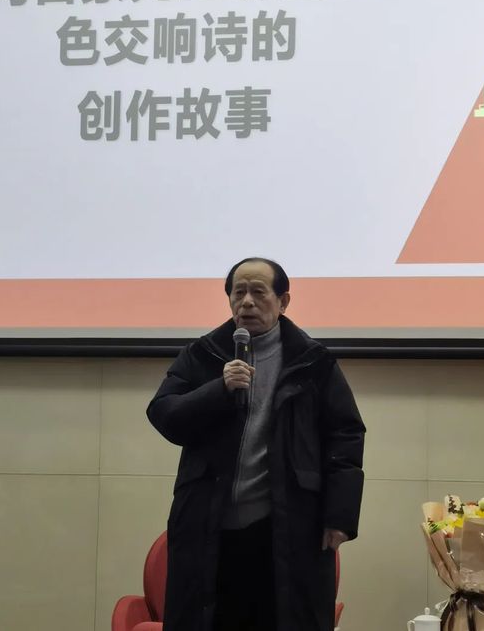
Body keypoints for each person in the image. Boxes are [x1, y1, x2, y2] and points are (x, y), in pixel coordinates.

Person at [147, 257, 365, 631]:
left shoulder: (312, 362)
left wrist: (340, 517)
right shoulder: (203, 354)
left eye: (258, 292)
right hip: (209, 524)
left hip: (287, 526)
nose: (247, 302)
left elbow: (345, 436)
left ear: (283, 301)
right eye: (239, 292)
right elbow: (164, 414)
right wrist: (218, 389)